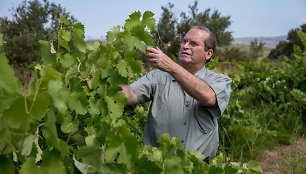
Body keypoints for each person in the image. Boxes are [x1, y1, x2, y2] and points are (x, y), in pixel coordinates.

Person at [121, 26, 232, 161]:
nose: (185, 46)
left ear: (208, 54)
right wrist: (106, 83)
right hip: (158, 165)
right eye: (184, 41)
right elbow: (130, 95)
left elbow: (209, 98)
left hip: (200, 168)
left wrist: (171, 66)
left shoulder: (219, 81)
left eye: (193, 43)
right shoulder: (157, 77)